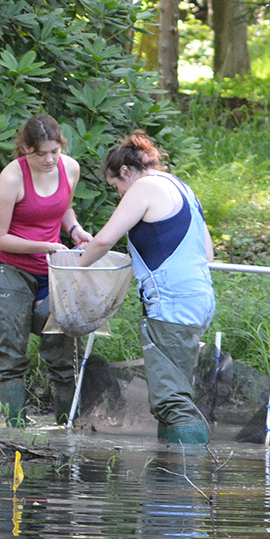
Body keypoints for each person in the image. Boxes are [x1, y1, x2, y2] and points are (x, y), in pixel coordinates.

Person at [76, 131, 216, 445]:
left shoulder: (143, 187)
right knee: (175, 390)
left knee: (171, 399)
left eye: (116, 187)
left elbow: (102, 239)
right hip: (199, 297)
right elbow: (207, 252)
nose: (120, 194)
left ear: (125, 171)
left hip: (172, 301)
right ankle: (170, 471)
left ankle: (184, 478)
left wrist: (74, 269)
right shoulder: (182, 188)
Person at [0, 114, 93, 427]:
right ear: (25, 150)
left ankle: (65, 426)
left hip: (53, 267)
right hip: (10, 267)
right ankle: (15, 430)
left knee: (62, 348)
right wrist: (44, 246)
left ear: (62, 147)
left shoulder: (70, 168)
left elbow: (63, 208)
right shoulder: (12, 177)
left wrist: (74, 230)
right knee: (10, 350)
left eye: (54, 152)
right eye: (39, 154)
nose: (48, 160)